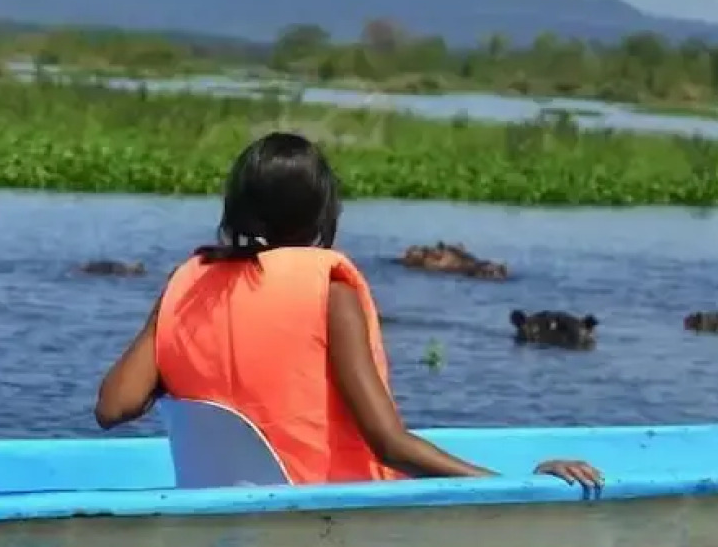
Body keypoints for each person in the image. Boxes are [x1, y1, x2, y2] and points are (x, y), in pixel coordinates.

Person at [94, 132, 603, 490]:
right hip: (321, 512)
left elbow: (113, 406)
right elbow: (388, 445)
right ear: (323, 212)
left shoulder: (187, 282)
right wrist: (512, 487)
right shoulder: (328, 288)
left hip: (215, 506)